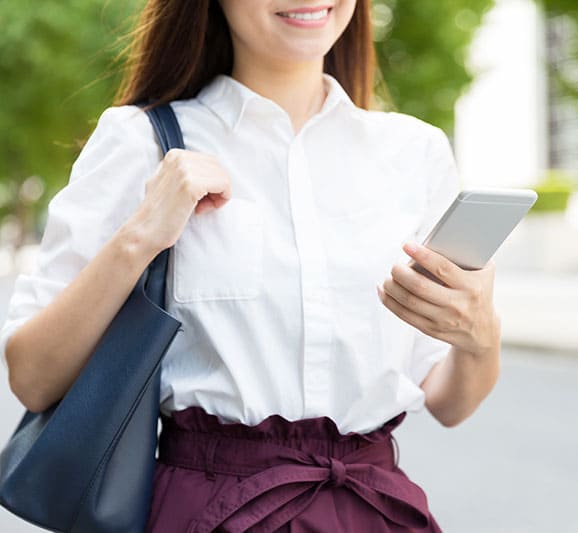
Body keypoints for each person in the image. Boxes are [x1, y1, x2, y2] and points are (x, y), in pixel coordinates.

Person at [0, 0, 502, 531]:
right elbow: (33, 378)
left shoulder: (414, 153)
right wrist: (141, 236)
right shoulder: (140, 141)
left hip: (374, 512)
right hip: (209, 513)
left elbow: (448, 401)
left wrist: (480, 335)